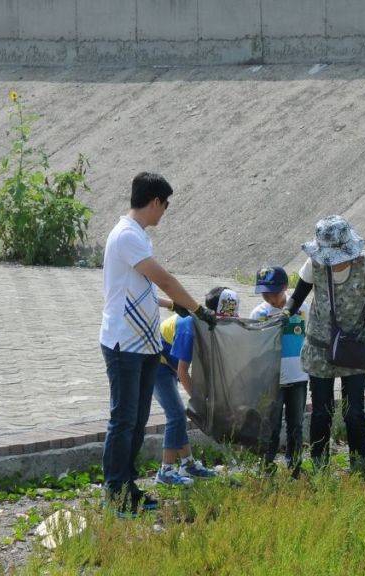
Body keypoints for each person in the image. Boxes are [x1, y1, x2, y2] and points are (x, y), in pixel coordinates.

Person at [99, 172, 217, 515]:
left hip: (146, 343)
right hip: (124, 344)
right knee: (123, 420)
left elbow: (145, 288)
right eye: (164, 206)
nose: (163, 213)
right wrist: (196, 309)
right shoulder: (126, 236)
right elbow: (163, 278)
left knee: (136, 420)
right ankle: (115, 493)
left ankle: (128, 485)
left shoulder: (136, 236)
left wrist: (172, 305)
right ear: (154, 203)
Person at [284, 215, 365, 477]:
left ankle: (359, 468)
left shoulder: (364, 261)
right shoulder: (314, 264)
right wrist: (283, 315)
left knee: (354, 412)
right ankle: (321, 470)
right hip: (319, 347)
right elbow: (296, 298)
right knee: (321, 412)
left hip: (354, 345)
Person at [151, 291, 230, 486]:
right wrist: (199, 400)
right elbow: (183, 371)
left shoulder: (206, 325)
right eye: (222, 318)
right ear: (211, 313)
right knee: (176, 415)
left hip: (168, 364)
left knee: (178, 414)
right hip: (156, 364)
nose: (224, 323)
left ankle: (187, 464)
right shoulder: (190, 327)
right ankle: (165, 471)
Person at [249, 266, 310, 478]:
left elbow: (311, 338)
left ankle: (295, 468)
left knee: (296, 425)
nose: (270, 299)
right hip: (271, 378)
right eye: (265, 294)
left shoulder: (303, 309)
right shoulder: (259, 314)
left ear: (285, 287)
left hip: (298, 376)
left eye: (273, 293)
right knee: (270, 426)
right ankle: (266, 468)